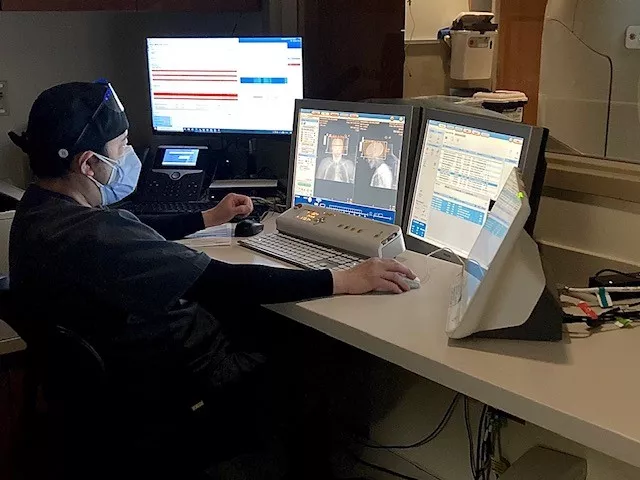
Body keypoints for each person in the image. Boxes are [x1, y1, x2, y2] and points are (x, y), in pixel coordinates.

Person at [7, 82, 416, 479]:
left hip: (116, 392)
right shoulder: (96, 234)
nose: (130, 154)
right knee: (315, 346)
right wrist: (342, 279)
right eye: (121, 146)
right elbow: (223, 281)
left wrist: (208, 218)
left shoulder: (39, 212)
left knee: (263, 321)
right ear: (87, 163)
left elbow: (131, 230)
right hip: (182, 390)